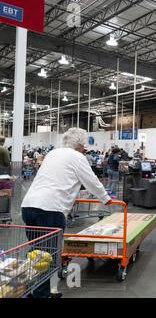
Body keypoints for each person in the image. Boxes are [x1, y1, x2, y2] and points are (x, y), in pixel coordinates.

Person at [21, 128, 111, 298]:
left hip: (29, 205)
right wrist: (106, 199)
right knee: (48, 256)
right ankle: (40, 295)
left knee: (36, 253)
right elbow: (91, 181)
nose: (84, 148)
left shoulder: (53, 153)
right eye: (84, 144)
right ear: (79, 144)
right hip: (50, 209)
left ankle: (36, 291)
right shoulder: (78, 157)